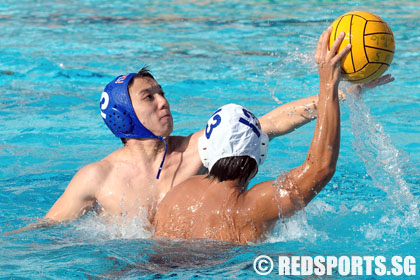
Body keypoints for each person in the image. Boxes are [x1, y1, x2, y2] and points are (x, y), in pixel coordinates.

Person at [12, 25, 393, 233]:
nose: (164, 101)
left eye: (162, 92)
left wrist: (342, 93)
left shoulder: (195, 149)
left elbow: (271, 123)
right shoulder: (96, 178)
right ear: (124, 113)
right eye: (149, 97)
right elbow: (46, 231)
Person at [152, 27, 393, 244]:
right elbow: (320, 168)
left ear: (205, 150)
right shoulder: (250, 207)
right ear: (261, 151)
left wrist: (344, 93)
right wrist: (328, 83)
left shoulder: (175, 195)